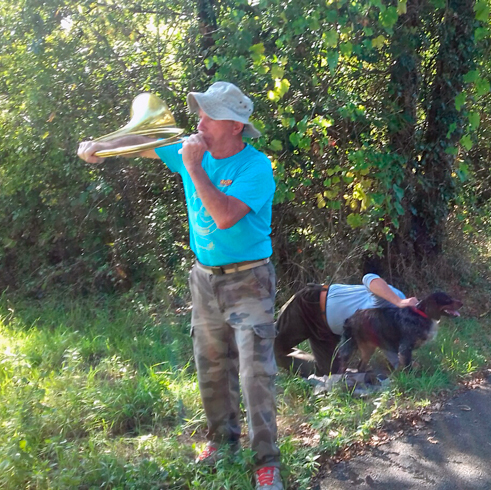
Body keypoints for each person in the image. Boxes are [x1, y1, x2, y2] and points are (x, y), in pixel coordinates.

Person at [77, 82, 283, 490]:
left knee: (254, 374)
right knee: (210, 365)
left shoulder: (255, 167)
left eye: (209, 116)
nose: (199, 122)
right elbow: (146, 140)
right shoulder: (191, 147)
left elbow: (224, 216)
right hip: (205, 279)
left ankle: (267, 463)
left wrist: (193, 166)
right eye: (200, 113)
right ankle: (222, 442)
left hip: (249, 280)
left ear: (236, 127)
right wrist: (99, 145)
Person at [274, 274, 418, 377]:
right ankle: (256, 343)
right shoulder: (393, 299)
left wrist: (408, 368)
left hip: (327, 332)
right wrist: (399, 301)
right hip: (310, 306)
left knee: (330, 373)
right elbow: (369, 278)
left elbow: (399, 364)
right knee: (270, 349)